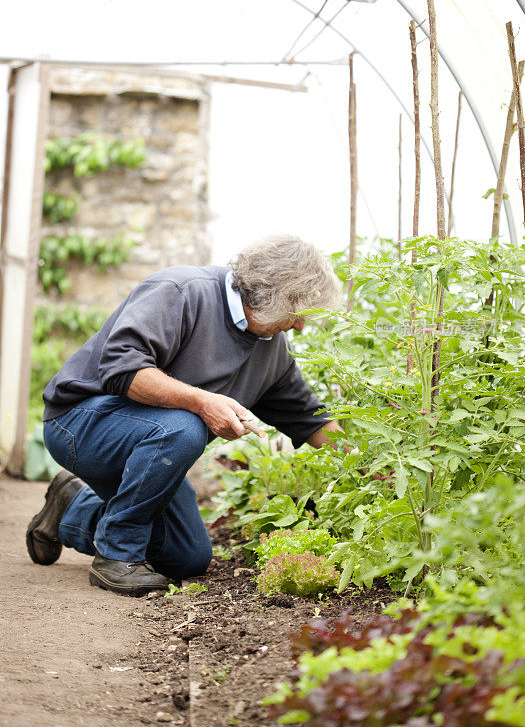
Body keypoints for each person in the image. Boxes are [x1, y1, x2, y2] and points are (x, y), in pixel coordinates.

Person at [26, 235, 342, 596]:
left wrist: (364, 462)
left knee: (187, 556)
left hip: (153, 442)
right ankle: (116, 557)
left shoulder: (271, 349)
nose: (300, 326)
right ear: (276, 293)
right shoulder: (181, 291)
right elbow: (121, 369)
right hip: (80, 422)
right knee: (187, 425)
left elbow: (309, 417)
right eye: (298, 312)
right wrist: (202, 402)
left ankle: (73, 505)